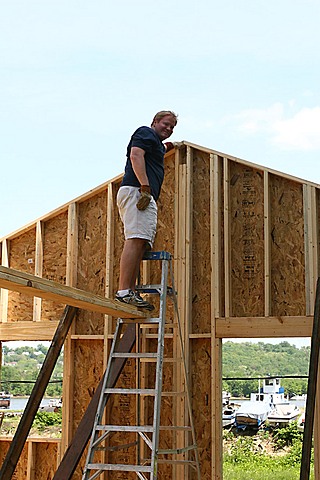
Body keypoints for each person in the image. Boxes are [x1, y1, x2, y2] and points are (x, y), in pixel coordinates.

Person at [115, 110, 178, 309]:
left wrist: (169, 146)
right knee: (135, 240)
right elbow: (136, 155)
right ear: (155, 122)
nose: (168, 129)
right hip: (138, 191)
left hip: (141, 193)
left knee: (141, 241)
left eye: (172, 127)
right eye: (165, 124)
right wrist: (144, 186)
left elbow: (156, 151)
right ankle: (124, 291)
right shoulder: (145, 132)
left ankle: (129, 291)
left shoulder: (155, 142)